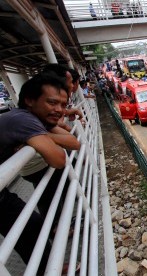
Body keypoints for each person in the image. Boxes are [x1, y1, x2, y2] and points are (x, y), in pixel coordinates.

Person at [0, 72, 81, 273]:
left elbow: (74, 143)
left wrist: (42, 137)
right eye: (52, 103)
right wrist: (42, 139)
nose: (59, 110)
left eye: (63, 105)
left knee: (33, 226)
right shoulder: (23, 120)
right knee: (32, 226)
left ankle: (47, 269)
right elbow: (58, 159)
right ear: (29, 100)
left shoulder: (36, 121)